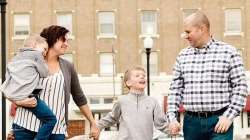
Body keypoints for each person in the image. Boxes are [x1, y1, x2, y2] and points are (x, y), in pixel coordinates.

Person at [167, 11, 248, 140]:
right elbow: (175, 91)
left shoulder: (229, 52)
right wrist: (172, 118)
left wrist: (229, 116)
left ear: (202, 29)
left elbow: (240, 87)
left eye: (188, 32)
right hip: (191, 125)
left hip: (220, 122)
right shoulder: (182, 56)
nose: (185, 36)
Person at [10, 25, 99, 140]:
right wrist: (19, 101)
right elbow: (11, 89)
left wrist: (93, 123)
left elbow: (79, 97)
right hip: (26, 126)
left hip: (56, 131)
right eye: (63, 40)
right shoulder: (30, 62)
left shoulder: (68, 67)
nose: (67, 44)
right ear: (52, 39)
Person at [0, 35, 57, 140]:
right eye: (44, 49)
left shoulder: (16, 57)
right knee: (51, 120)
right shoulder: (37, 55)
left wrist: (16, 98)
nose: (45, 53)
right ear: (35, 45)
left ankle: (13, 130)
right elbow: (44, 73)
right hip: (29, 96)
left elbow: (8, 78)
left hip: (15, 95)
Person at [97, 66, 168, 140]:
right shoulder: (121, 101)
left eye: (143, 76)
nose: (142, 77)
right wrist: (97, 126)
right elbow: (112, 118)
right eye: (137, 76)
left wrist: (172, 129)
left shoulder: (153, 102)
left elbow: (161, 124)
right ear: (128, 83)